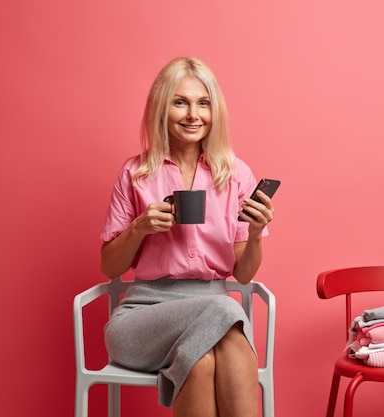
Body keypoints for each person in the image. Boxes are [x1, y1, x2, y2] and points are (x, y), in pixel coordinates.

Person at [100, 57, 274, 417]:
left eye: (203, 103)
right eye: (180, 102)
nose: (193, 114)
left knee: (202, 360)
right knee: (227, 310)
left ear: (215, 111)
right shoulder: (135, 173)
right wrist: (139, 228)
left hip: (214, 313)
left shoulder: (236, 174)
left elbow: (242, 275)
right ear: (162, 108)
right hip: (142, 317)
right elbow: (108, 266)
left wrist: (255, 232)